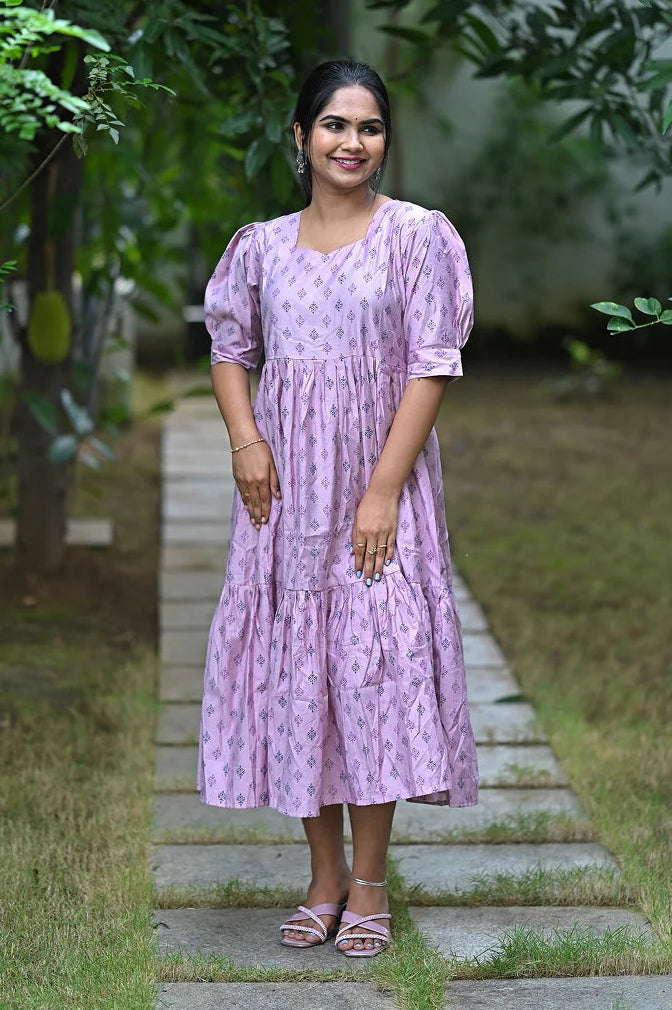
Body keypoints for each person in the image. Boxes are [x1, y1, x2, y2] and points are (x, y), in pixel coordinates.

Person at [198, 58, 479, 958]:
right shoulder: (260, 247)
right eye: (333, 125)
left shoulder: (417, 238)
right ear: (299, 137)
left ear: (384, 142)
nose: (351, 142)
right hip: (287, 501)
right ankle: (320, 879)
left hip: (375, 489)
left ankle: (369, 880)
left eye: (368, 127)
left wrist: (384, 491)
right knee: (299, 675)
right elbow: (230, 348)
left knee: (372, 672)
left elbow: (431, 363)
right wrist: (247, 440)